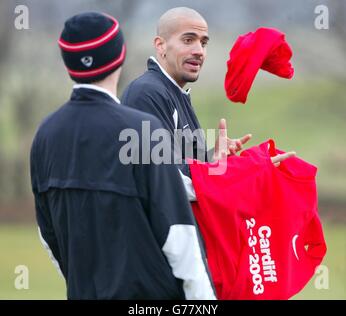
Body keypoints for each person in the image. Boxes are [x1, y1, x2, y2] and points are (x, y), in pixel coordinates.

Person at [30, 12, 216, 300]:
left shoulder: (45, 135)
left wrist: (82, 281)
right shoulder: (140, 129)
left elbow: (47, 233)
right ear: (119, 57)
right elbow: (178, 232)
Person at [121, 7, 294, 199]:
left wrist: (215, 159)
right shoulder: (147, 93)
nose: (199, 51)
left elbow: (187, 167)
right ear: (160, 45)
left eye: (203, 43)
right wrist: (243, 173)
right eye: (188, 40)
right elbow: (164, 179)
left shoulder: (175, 93)